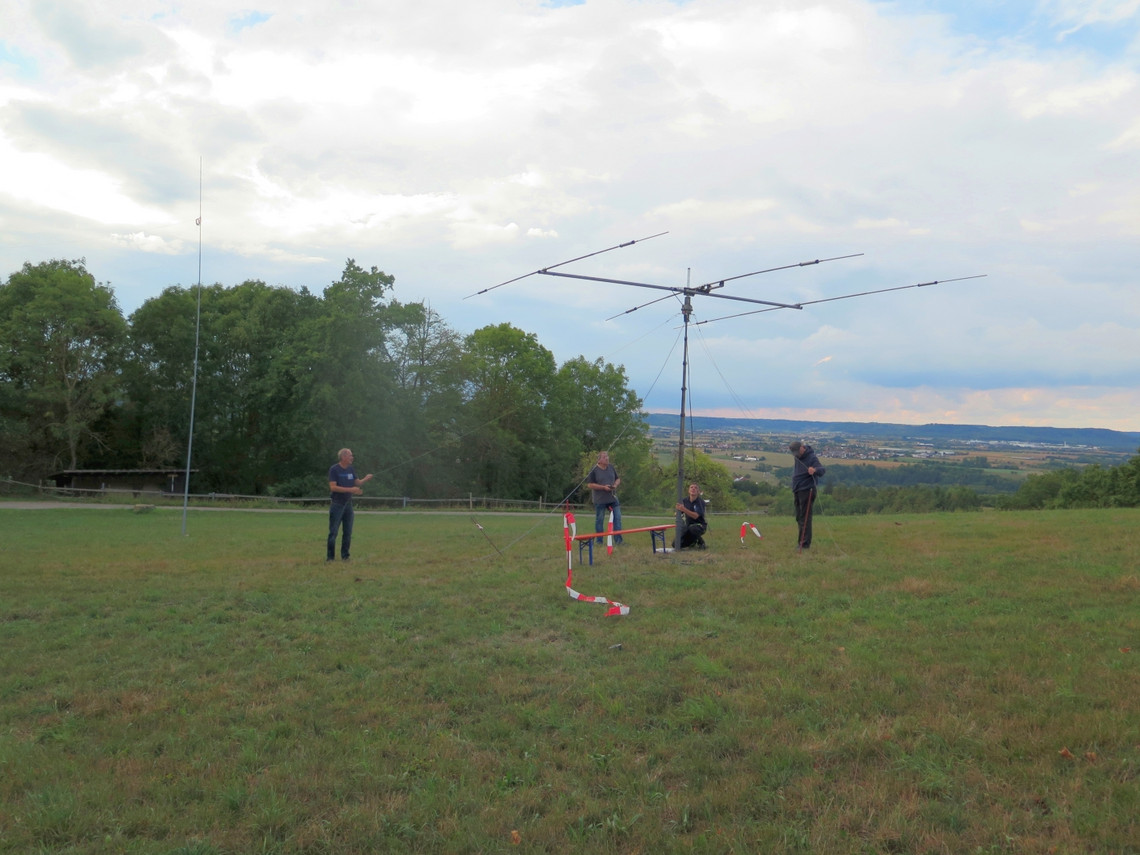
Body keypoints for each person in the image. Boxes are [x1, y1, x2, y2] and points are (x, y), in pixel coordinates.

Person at [327, 448, 373, 561]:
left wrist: (365, 479)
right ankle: (330, 558)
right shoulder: (334, 469)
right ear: (343, 457)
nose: (352, 457)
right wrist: (351, 490)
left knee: (347, 532)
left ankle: (345, 557)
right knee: (333, 533)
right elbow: (333, 487)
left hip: (348, 505)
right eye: (350, 455)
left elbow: (357, 483)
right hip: (337, 504)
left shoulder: (351, 469)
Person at [789, 440, 825, 550]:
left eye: (797, 452)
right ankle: (801, 542)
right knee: (799, 517)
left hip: (807, 490)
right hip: (797, 489)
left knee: (805, 518)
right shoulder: (797, 457)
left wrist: (814, 470)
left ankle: (804, 544)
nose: (796, 455)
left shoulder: (811, 457)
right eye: (794, 453)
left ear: (802, 447)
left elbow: (822, 470)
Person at [587, 450, 623, 545]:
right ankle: (599, 541)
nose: (607, 458)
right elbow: (590, 484)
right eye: (604, 457)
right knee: (600, 520)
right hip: (600, 500)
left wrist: (615, 485)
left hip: (613, 498)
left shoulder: (611, 467)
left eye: (607, 456)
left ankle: (618, 541)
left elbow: (618, 479)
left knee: (617, 518)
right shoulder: (594, 470)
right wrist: (603, 487)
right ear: (599, 460)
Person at [675, 482, 708, 549]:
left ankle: (701, 542)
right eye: (691, 487)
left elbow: (695, 516)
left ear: (698, 492)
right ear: (688, 490)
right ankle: (692, 543)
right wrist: (678, 511)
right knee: (676, 544)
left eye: (695, 488)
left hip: (699, 525)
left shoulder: (700, 502)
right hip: (688, 525)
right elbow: (680, 513)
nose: (693, 489)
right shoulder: (684, 501)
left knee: (693, 529)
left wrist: (683, 509)